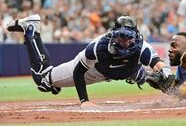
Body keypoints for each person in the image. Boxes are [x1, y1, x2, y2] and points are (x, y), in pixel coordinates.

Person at [6, 14, 171, 108]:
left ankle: (182, 93)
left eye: (129, 38)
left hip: (125, 70)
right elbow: (79, 72)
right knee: (43, 81)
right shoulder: (98, 48)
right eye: (121, 37)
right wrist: (84, 101)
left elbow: (159, 65)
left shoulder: (143, 47)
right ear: (114, 35)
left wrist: (169, 76)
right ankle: (31, 28)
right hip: (93, 71)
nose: (125, 42)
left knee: (155, 77)